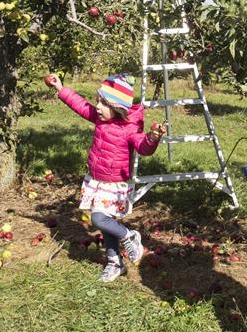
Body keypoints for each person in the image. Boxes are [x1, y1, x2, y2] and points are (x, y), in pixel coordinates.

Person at [46, 73, 163, 282]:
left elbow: (143, 148)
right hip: (97, 180)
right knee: (106, 222)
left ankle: (129, 236)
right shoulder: (100, 119)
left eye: (103, 103)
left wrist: (152, 139)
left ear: (117, 107)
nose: (97, 107)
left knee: (98, 219)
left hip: (115, 184)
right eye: (98, 101)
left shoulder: (130, 128)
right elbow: (80, 105)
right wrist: (61, 89)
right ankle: (115, 262)